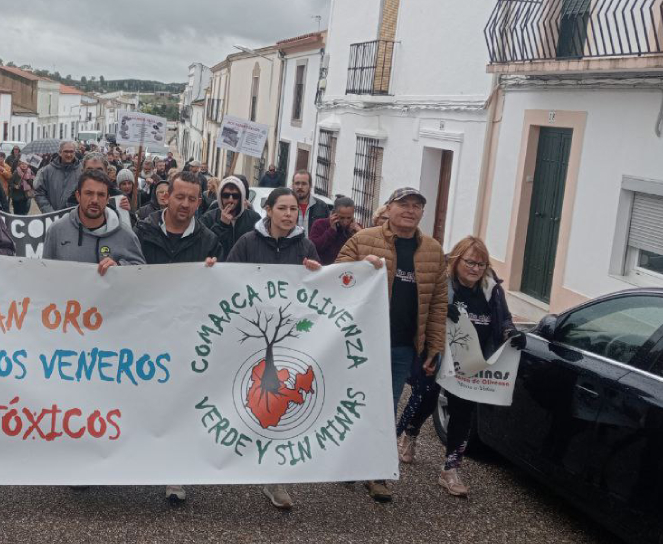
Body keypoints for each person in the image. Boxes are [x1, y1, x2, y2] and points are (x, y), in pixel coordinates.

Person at [336, 187, 448, 503]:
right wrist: (359, 266)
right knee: (355, 402)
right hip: (361, 342)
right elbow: (336, 274)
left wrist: (434, 346)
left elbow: (439, 302)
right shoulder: (364, 239)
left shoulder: (433, 251)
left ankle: (376, 473)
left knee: (387, 407)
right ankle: (348, 461)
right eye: (404, 205)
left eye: (417, 206)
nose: (410, 211)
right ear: (390, 208)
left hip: (402, 346)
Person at [395, 236, 525, 497]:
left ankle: (450, 469)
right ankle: (410, 432)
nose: (475, 269)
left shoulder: (491, 289)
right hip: (440, 357)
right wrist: (443, 309)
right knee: (427, 400)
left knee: (463, 412)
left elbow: (504, 319)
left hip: (472, 362)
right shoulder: (443, 284)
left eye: (481, 264)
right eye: (470, 262)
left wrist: (512, 333)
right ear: (456, 260)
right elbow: (422, 311)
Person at [224, 187, 321, 510]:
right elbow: (228, 280)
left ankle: (274, 478)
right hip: (249, 333)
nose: (289, 214)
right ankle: (231, 458)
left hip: (289, 336)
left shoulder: (305, 246)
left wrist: (317, 275)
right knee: (241, 397)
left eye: (294, 208)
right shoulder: (248, 243)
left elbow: (318, 290)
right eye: (282, 208)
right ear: (268, 210)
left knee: (279, 405)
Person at [135, 170, 220, 502]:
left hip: (186, 333)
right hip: (144, 329)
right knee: (142, 399)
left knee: (181, 403)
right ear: (166, 196)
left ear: (200, 202)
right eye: (179, 196)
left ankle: (176, 474)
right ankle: (129, 461)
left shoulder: (210, 241)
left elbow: (221, 289)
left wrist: (217, 272)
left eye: (192, 199)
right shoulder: (141, 230)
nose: (185, 204)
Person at [43, 170, 145, 269]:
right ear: (78, 196)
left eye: (101, 195)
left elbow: (140, 270)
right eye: (89, 193)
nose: (95, 200)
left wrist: (118, 268)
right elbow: (45, 271)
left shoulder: (125, 234)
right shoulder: (57, 230)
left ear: (107, 199)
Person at [201, 176, 261, 261]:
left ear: (241, 198)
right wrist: (222, 225)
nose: (230, 200)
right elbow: (205, 247)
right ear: (220, 197)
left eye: (235, 196)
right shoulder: (208, 217)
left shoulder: (254, 218)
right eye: (226, 195)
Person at [309, 196, 362, 265]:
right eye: (342, 218)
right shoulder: (319, 224)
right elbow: (314, 248)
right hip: (324, 269)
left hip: (346, 271)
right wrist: (331, 230)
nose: (345, 222)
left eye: (349, 218)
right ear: (334, 213)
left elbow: (364, 251)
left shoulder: (356, 227)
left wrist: (358, 233)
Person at [34, 141, 81, 213]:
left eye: (71, 151)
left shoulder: (82, 171)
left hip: (75, 218)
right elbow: (39, 192)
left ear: (75, 152)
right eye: (66, 151)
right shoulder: (47, 171)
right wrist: (49, 212)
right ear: (60, 152)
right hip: (52, 217)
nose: (69, 154)